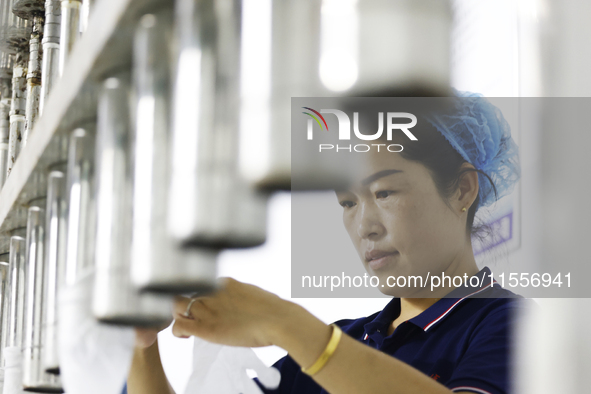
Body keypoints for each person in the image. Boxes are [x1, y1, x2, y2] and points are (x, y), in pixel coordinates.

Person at [123, 91, 527, 394]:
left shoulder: (512, 326)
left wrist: (283, 322)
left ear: (462, 189)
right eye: (347, 202)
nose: (364, 226)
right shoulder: (345, 342)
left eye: (384, 193)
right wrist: (142, 345)